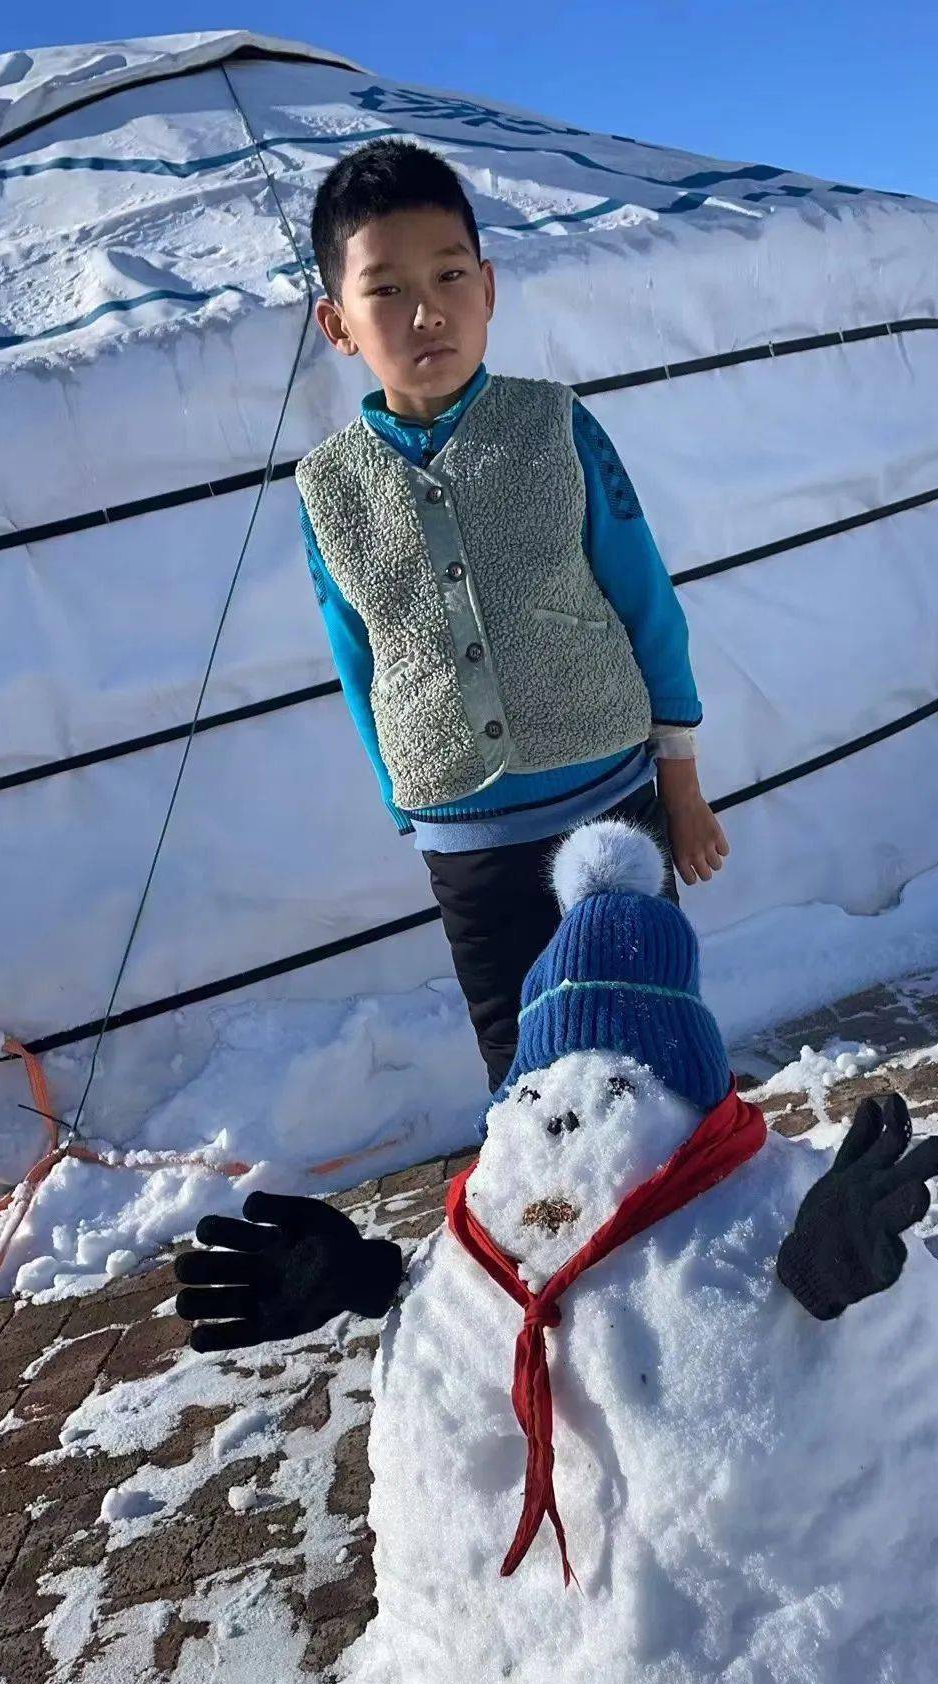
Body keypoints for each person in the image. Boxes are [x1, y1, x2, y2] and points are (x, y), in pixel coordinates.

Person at [297, 137, 728, 1092]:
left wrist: (683, 786)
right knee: (523, 1058)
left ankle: (697, 1216)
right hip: (464, 831)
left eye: (451, 274)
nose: (427, 310)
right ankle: (560, 1235)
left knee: (655, 1026)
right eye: (386, 289)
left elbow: (644, 597)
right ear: (337, 322)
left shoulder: (555, 424)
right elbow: (355, 654)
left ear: (489, 288)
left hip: (611, 798)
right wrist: (402, 797)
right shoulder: (328, 485)